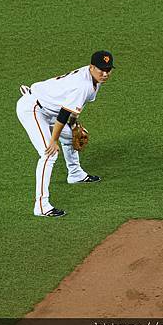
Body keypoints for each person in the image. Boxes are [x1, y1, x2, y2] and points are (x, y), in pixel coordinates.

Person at [16, 50, 115, 217]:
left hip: (48, 106)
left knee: (72, 135)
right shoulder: (83, 85)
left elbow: (72, 109)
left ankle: (75, 173)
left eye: (108, 70)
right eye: (101, 70)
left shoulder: (93, 79)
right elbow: (62, 114)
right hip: (33, 109)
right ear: (91, 67)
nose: (105, 74)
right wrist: (53, 140)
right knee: (49, 153)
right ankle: (41, 205)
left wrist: (74, 124)